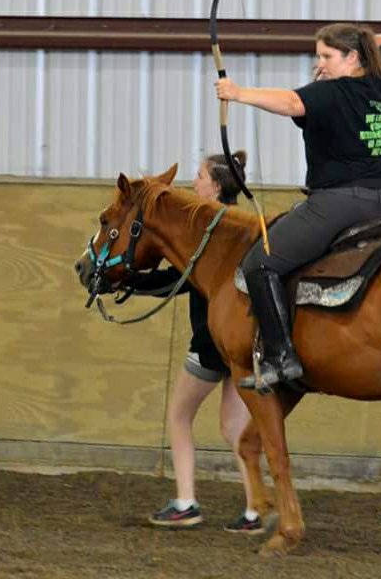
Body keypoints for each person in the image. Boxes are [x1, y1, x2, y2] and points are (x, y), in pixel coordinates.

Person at [215, 23, 381, 391]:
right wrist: (365, 48)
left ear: (353, 57)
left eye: (327, 56)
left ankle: (280, 356)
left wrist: (238, 93)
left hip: (342, 204)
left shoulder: (332, 92)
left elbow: (291, 102)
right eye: (318, 56)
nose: (320, 63)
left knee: (259, 263)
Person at [137, 151, 265, 533]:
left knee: (179, 416)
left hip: (210, 345)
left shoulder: (210, 232)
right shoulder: (242, 228)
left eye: (200, 176)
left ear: (217, 186)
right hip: (239, 346)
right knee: (234, 428)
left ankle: (185, 502)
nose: (194, 182)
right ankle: (255, 509)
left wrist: (129, 283)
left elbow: (174, 281)